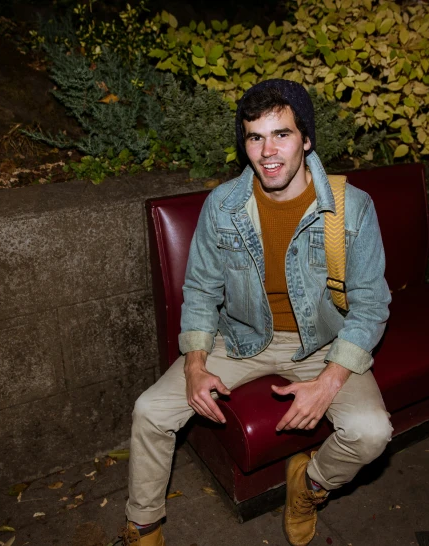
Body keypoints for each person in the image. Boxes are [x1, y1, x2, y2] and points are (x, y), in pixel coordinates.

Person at [121, 79, 393, 546]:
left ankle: (308, 486)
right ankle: (143, 525)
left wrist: (329, 382)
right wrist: (195, 363)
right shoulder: (223, 206)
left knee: (371, 433)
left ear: (306, 139)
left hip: (325, 342)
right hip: (242, 338)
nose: (267, 151)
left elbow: (371, 305)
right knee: (150, 410)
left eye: (281, 134)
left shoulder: (352, 209)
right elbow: (202, 289)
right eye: (254, 137)